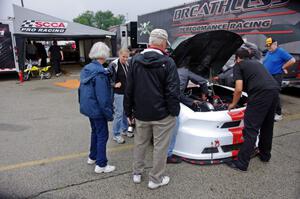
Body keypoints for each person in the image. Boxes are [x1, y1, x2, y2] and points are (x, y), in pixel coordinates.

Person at [124, 29, 180, 189]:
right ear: (163, 44)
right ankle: (155, 179)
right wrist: (174, 112)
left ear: (150, 42)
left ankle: (137, 173)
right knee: (160, 147)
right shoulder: (168, 62)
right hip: (162, 114)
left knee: (140, 143)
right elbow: (173, 91)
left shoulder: (135, 60)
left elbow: (129, 88)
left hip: (141, 113)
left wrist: (128, 111)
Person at [226, 48, 280, 172]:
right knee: (267, 126)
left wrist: (233, 104)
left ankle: (241, 163)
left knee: (251, 129)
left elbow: (238, 89)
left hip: (260, 94)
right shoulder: (256, 63)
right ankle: (265, 155)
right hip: (274, 91)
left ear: (237, 58)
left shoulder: (238, 65)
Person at [78, 42, 115, 174]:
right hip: (97, 109)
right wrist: (109, 114)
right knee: (102, 135)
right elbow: (103, 98)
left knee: (95, 132)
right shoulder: (100, 73)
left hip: (89, 108)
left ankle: (92, 156)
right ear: (104, 54)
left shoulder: (87, 69)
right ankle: (101, 164)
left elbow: (80, 90)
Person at [167, 66, 208, 164]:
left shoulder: (168, 69)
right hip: (173, 101)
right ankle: (168, 155)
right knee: (175, 126)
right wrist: (200, 97)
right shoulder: (184, 71)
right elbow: (202, 81)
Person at [263, 37, 296, 121]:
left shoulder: (280, 51)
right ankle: (270, 112)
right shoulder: (269, 52)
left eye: (270, 46)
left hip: (276, 76)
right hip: (268, 76)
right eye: (267, 46)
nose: (268, 47)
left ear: (275, 44)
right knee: (268, 94)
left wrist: (283, 66)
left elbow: (292, 60)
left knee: (274, 94)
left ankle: (278, 113)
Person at [109, 48, 131, 144]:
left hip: (126, 92)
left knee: (125, 113)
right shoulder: (114, 64)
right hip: (118, 93)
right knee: (118, 113)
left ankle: (124, 130)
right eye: (124, 57)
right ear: (119, 54)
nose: (125, 59)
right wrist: (114, 84)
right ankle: (116, 135)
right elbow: (107, 78)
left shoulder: (126, 63)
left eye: (127, 57)